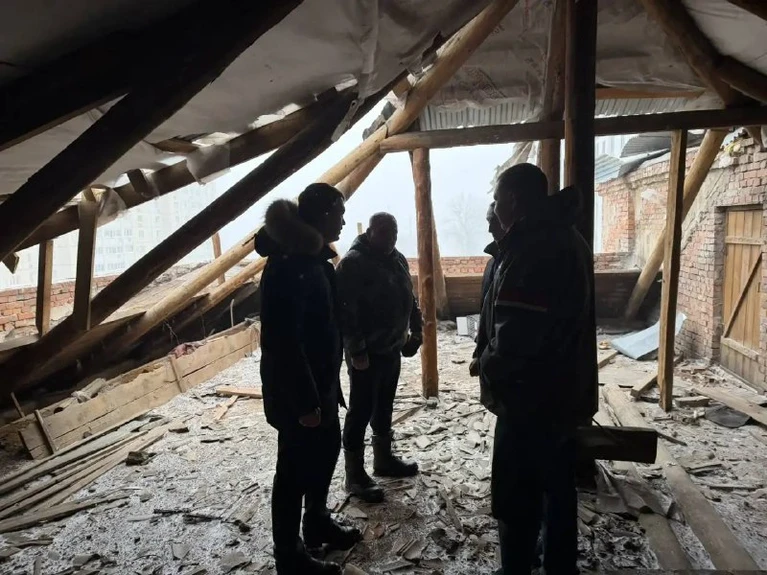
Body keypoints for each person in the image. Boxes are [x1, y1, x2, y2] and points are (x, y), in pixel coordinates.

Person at [478, 163, 591, 575]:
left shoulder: (532, 248)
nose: (494, 209)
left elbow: (516, 337)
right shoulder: (565, 236)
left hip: (528, 398)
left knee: (517, 494)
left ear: (512, 200)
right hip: (559, 392)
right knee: (557, 487)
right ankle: (559, 566)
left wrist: (487, 365)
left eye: (497, 201)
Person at [255, 184, 361, 575]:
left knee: (326, 451)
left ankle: (316, 520)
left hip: (321, 385)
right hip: (298, 391)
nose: (344, 221)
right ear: (322, 214)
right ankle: (289, 554)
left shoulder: (313, 259)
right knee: (293, 469)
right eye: (339, 213)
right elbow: (283, 341)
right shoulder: (289, 265)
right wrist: (305, 403)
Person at [336, 213, 422, 503]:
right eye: (384, 232)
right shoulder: (353, 263)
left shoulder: (397, 259)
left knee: (384, 406)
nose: (391, 238)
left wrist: (416, 331)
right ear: (369, 232)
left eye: (394, 232)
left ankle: (383, 459)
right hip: (368, 353)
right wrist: (357, 351)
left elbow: (411, 298)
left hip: (391, 348)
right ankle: (354, 475)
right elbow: (346, 312)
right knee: (360, 410)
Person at [469, 202, 504, 378]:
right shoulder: (492, 264)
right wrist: (479, 351)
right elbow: (485, 313)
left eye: (494, 221)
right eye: (488, 221)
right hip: (491, 356)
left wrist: (486, 359)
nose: (490, 229)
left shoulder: (519, 262)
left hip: (505, 361)